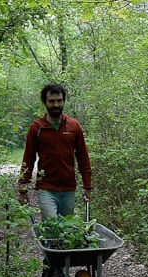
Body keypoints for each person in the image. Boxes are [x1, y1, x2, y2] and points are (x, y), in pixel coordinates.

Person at [17, 83, 93, 219]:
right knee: (52, 224)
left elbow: (82, 156)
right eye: (51, 101)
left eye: (59, 101)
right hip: (46, 187)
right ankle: (50, 241)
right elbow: (28, 159)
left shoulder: (74, 126)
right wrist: (23, 187)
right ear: (45, 102)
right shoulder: (37, 128)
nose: (56, 105)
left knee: (66, 229)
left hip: (69, 188)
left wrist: (87, 185)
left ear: (64, 101)